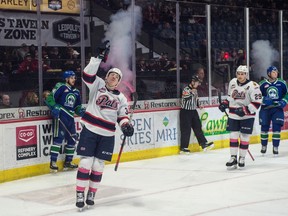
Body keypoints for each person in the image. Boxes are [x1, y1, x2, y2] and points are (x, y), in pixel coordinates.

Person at [75, 42, 134, 209]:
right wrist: (97, 58)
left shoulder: (121, 98)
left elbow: (122, 116)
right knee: (86, 162)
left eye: (116, 76)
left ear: (119, 81)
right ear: (106, 77)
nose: (113, 77)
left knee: (98, 164)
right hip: (90, 130)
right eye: (111, 74)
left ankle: (91, 193)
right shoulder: (98, 85)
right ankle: (80, 193)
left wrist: (126, 126)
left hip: (107, 134)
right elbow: (87, 75)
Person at [218, 65, 262, 169]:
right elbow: (230, 97)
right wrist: (225, 103)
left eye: (242, 74)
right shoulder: (232, 82)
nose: (240, 76)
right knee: (233, 136)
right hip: (233, 115)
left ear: (246, 75)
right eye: (238, 73)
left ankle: (242, 158)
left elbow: (257, 103)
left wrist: (245, 110)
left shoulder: (253, 86)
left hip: (247, 117)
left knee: (244, 137)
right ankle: (233, 158)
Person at [45, 70, 85, 172]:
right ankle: (53, 162)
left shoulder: (76, 91)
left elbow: (77, 106)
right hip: (61, 114)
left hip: (70, 117)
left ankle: (68, 162)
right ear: (66, 79)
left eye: (74, 78)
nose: (74, 79)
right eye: (72, 77)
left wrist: (80, 111)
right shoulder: (61, 86)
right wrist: (54, 107)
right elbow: (50, 98)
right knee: (58, 138)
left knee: (72, 139)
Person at [179, 75, 214, 154]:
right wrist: (191, 93)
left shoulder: (195, 90)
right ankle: (183, 148)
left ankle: (203, 144)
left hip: (193, 111)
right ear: (193, 82)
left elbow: (196, 99)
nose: (198, 84)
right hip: (185, 112)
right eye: (197, 82)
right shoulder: (186, 89)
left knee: (198, 127)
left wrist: (199, 105)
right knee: (186, 130)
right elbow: (185, 98)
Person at [259, 66, 288, 155]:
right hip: (265, 109)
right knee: (264, 128)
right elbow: (256, 96)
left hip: (277, 109)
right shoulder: (262, 84)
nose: (276, 73)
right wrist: (264, 100)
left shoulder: (282, 83)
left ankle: (275, 147)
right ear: (269, 73)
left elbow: (286, 94)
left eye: (276, 72)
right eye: (273, 72)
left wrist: (283, 101)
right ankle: (264, 146)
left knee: (276, 128)